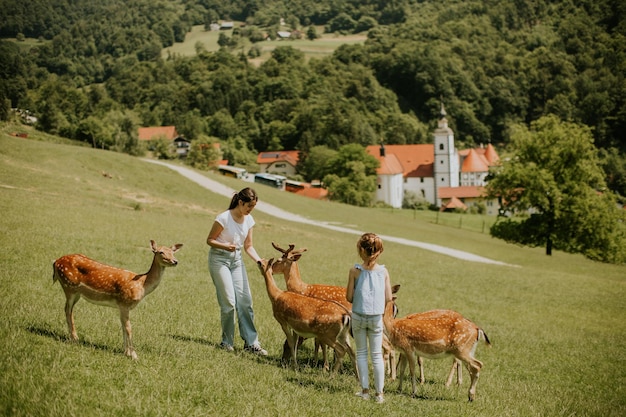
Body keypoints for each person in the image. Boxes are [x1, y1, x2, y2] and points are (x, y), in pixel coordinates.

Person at [207, 187, 267, 355]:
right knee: (229, 302)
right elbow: (209, 240)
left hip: (237, 260)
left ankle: (251, 343)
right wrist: (225, 246)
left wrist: (259, 261)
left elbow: (248, 246)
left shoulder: (249, 220)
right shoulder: (223, 218)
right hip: (219, 259)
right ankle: (226, 342)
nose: (251, 210)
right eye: (249, 206)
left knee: (245, 301)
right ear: (240, 202)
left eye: (253, 207)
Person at [346, 233, 393, 404]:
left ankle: (365, 390)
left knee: (361, 353)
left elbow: (349, 297)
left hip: (358, 316)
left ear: (360, 250)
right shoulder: (384, 272)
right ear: (380, 251)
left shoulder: (355, 271)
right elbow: (389, 297)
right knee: (376, 355)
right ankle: (379, 394)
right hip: (376, 318)